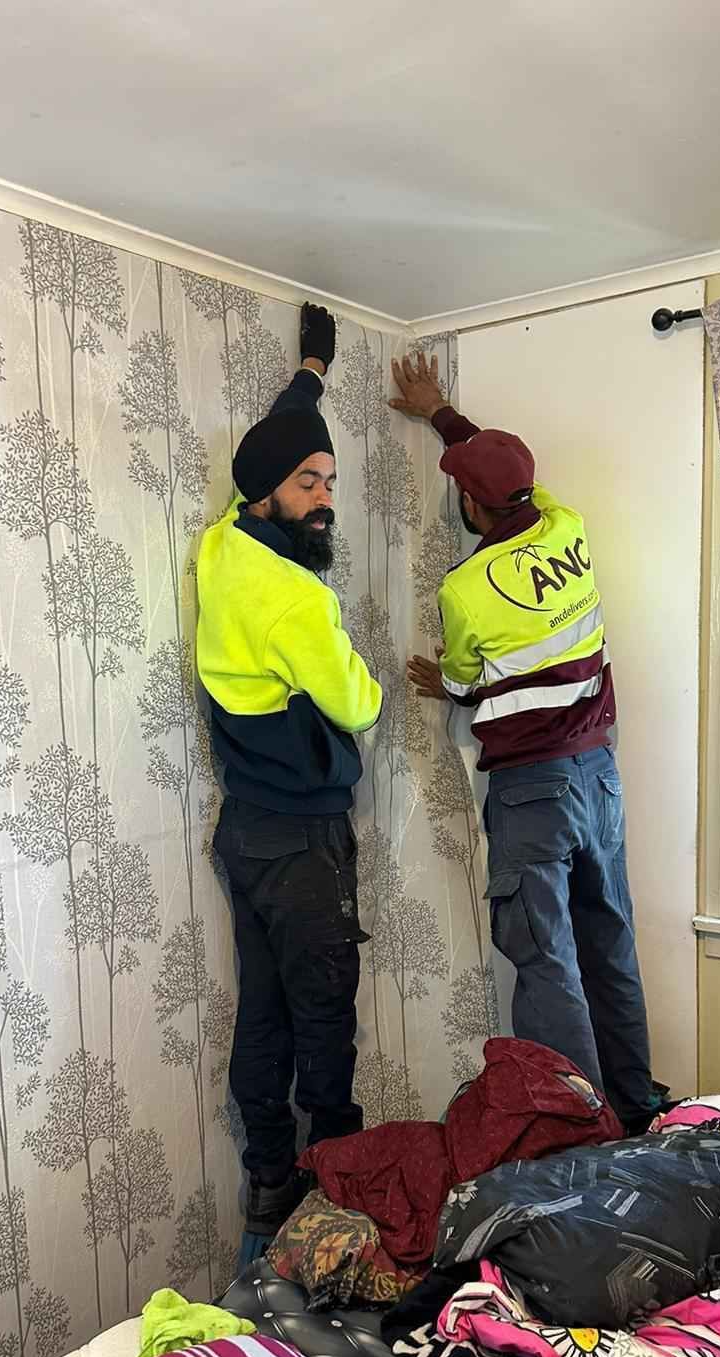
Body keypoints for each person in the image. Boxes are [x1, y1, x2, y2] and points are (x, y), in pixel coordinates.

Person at [392, 352, 658, 1132]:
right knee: (608, 941)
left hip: (532, 792)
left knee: (547, 963)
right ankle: (639, 1109)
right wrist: (445, 418)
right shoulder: (565, 524)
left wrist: (444, 681)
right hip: (597, 772)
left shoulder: (466, 587)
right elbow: (511, 482)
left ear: (472, 507)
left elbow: (470, 680)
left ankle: (584, 1135)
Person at [197, 303, 382, 1257]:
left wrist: (311, 371)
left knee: (264, 1009)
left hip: (245, 830)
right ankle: (336, 1203)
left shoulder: (225, 542)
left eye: (331, 481)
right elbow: (360, 706)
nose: (324, 498)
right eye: (309, 484)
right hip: (304, 837)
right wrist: (357, 658)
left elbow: (274, 445)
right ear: (270, 490)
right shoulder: (296, 598)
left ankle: (270, 1183)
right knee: (324, 1012)